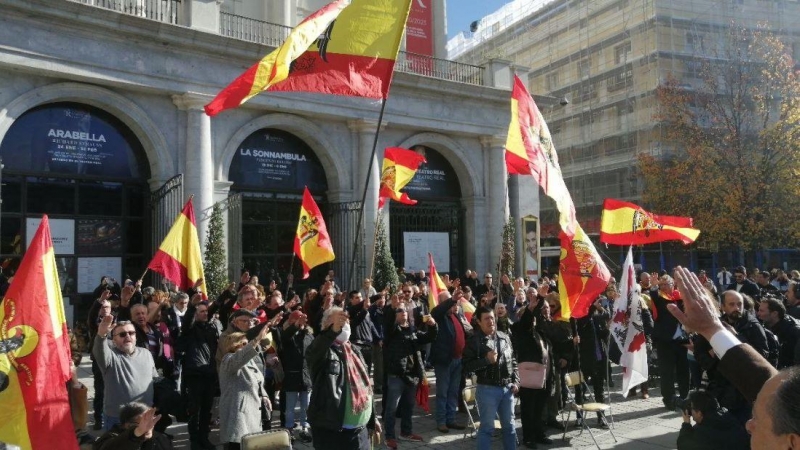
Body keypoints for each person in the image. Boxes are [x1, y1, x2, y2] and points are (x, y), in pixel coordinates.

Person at [668, 266, 800, 450]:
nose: (749, 425)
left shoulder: (754, 327)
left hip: (740, 397)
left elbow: (763, 358)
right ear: (722, 306)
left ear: (793, 443)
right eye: (731, 304)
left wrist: (719, 338)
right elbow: (769, 387)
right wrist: (712, 329)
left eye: (759, 420)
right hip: (721, 391)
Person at [306, 307, 381, 449]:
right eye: (339, 321)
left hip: (361, 431)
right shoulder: (321, 351)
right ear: (326, 326)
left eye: (345, 322)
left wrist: (372, 419)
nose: (343, 325)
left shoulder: (354, 350)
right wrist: (333, 331)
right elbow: (316, 349)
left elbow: (366, 388)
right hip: (334, 434)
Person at [462, 306, 520, 450]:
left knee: (510, 427)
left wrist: (516, 381)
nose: (491, 321)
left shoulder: (504, 337)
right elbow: (466, 367)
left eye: (492, 317)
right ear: (479, 322)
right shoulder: (474, 340)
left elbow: (513, 361)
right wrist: (486, 360)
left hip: (507, 389)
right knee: (487, 428)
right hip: (487, 389)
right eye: (486, 318)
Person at [383, 301, 438, 448]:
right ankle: (389, 436)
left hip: (412, 375)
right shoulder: (392, 330)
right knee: (391, 408)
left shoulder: (413, 330)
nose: (403, 312)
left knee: (408, 407)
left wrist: (433, 326)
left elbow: (428, 338)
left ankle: (406, 433)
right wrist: (391, 308)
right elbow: (387, 323)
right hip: (396, 375)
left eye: (405, 310)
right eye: (399, 311)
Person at [92, 316, 158, 431]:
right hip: (118, 418)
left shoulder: (146, 353)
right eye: (122, 334)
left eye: (131, 333)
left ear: (135, 336)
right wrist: (101, 335)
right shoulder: (110, 357)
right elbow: (99, 351)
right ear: (114, 340)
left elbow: (155, 378)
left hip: (144, 415)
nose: (128, 336)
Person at [218, 325, 271, 450]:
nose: (248, 346)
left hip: (252, 411)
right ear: (235, 345)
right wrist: (256, 339)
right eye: (244, 344)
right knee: (236, 445)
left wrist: (264, 395)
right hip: (238, 414)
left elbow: (258, 380)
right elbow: (239, 358)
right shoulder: (228, 359)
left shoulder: (250, 361)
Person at [178, 301, 222, 450]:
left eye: (206, 311)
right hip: (195, 376)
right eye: (201, 311)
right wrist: (192, 306)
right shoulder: (190, 329)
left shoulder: (210, 328)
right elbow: (187, 322)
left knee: (206, 410)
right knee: (194, 411)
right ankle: (195, 441)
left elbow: (214, 310)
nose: (205, 313)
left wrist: (227, 295)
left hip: (209, 375)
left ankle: (204, 438)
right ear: (195, 314)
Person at [512, 295, 554, 449]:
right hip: (529, 376)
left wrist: (541, 297)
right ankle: (528, 437)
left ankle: (539, 434)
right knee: (528, 409)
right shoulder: (521, 330)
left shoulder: (539, 331)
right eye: (530, 316)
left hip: (544, 376)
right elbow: (525, 323)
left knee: (539, 408)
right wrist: (530, 309)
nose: (534, 319)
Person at [429, 290, 471, 433]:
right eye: (449, 302)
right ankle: (441, 421)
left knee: (453, 392)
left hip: (458, 360)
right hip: (444, 361)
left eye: (454, 302)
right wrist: (452, 299)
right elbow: (437, 311)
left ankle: (451, 419)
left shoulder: (456, 315)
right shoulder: (438, 315)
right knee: (443, 392)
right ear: (443, 303)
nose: (453, 304)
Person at [278, 310, 314, 443]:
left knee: (306, 406)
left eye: (302, 319)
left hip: (306, 376)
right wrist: (295, 327)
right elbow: (286, 337)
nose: (301, 322)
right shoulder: (287, 334)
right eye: (297, 319)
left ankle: (304, 428)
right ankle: (289, 430)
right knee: (290, 408)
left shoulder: (309, 335)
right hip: (292, 376)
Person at [676, 390, 750, 450]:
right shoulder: (730, 418)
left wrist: (686, 424)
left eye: (692, 408)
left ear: (699, 413)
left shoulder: (702, 433)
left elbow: (683, 446)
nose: (690, 411)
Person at [93, 403, 173, 450]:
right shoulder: (111, 437)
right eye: (143, 423)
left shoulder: (160, 438)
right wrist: (136, 433)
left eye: (149, 421)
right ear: (128, 425)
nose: (148, 427)